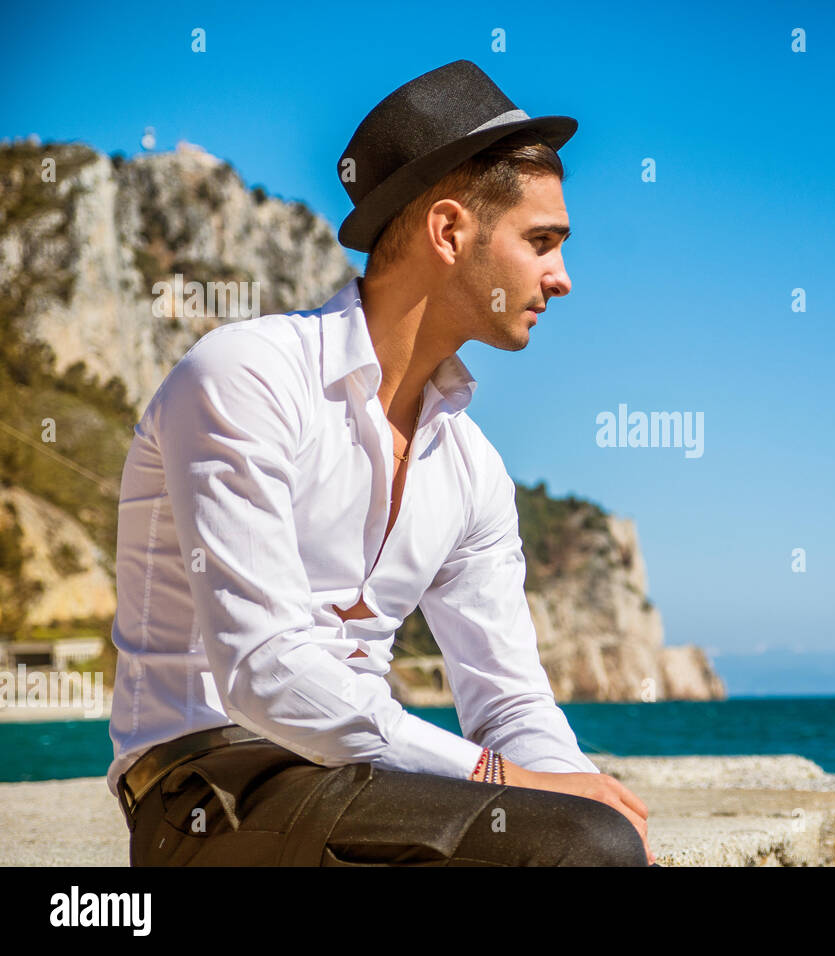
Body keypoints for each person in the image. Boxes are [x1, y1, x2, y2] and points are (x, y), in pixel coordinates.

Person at [107, 59, 656, 866]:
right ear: (448, 232)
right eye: (541, 242)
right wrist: (502, 779)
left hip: (364, 786)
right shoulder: (244, 376)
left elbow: (509, 700)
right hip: (212, 788)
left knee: (601, 835)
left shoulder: (472, 468)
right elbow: (263, 670)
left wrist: (579, 788)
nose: (561, 278)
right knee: (579, 848)